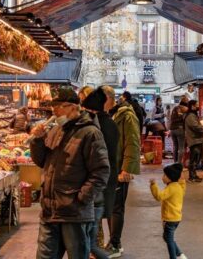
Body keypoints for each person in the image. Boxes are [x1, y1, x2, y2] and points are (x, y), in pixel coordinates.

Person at [29, 87, 110, 259]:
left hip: (74, 213)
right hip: (50, 211)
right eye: (53, 106)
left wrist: (81, 198)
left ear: (73, 107)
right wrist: (38, 140)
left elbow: (101, 171)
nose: (54, 110)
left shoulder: (90, 133)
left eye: (59, 106)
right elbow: (42, 161)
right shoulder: (57, 130)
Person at [81, 87, 118, 259]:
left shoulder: (96, 127)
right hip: (100, 182)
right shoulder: (106, 123)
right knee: (92, 234)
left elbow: (103, 159)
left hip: (96, 184)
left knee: (91, 238)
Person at [107, 87, 141, 258]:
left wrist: (127, 168)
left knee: (116, 207)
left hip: (120, 168)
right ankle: (113, 242)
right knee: (110, 207)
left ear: (109, 98)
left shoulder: (126, 115)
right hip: (109, 168)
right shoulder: (110, 115)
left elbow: (133, 142)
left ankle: (115, 244)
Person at [149, 163, 188, 259]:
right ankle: (180, 254)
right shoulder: (179, 186)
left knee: (169, 239)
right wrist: (182, 179)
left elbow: (159, 196)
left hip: (170, 219)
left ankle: (174, 257)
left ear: (170, 178)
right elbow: (183, 186)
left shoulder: (171, 188)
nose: (162, 177)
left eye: (165, 175)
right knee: (166, 237)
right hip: (177, 218)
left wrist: (153, 185)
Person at [184, 100, 203, 182]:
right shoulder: (191, 116)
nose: (197, 106)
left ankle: (194, 175)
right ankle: (192, 176)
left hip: (196, 139)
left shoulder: (192, 115)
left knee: (195, 158)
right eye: (196, 105)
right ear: (192, 106)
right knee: (194, 158)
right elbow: (195, 126)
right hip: (194, 140)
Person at [169, 96, 189, 163]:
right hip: (180, 129)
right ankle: (179, 164)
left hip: (172, 129)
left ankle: (175, 163)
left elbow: (171, 118)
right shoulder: (185, 109)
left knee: (175, 147)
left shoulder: (175, 108)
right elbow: (185, 119)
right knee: (181, 148)